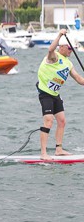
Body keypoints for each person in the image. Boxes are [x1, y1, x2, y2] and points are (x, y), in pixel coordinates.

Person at [36, 30, 84, 160]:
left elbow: (80, 80)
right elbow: (50, 49)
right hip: (45, 93)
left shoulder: (68, 64)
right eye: (69, 48)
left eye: (73, 49)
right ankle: (43, 153)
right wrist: (59, 35)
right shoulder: (54, 57)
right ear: (61, 47)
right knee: (48, 120)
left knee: (62, 121)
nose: (71, 51)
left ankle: (59, 149)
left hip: (55, 94)